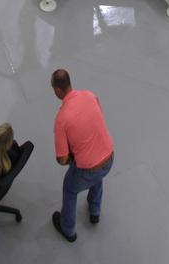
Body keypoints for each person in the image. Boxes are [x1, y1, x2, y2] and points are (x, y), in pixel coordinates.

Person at [50, 68, 114, 242]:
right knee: (97, 174)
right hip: (109, 158)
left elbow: (62, 159)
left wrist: (72, 157)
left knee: (70, 188)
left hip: (88, 170)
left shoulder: (61, 118)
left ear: (57, 90)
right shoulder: (89, 95)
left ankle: (68, 229)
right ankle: (95, 212)